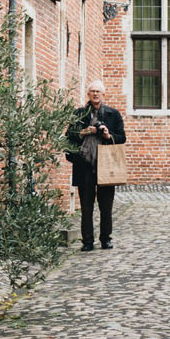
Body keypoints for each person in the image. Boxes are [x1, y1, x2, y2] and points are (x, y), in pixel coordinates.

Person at [67, 80, 126, 251]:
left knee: (106, 207)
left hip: (106, 166)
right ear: (88, 94)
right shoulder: (79, 114)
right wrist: (85, 132)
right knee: (86, 207)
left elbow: (122, 138)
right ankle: (87, 241)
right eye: (92, 91)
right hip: (85, 165)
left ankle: (106, 239)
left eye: (98, 91)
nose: (95, 94)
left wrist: (108, 135)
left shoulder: (113, 115)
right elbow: (69, 137)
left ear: (103, 94)